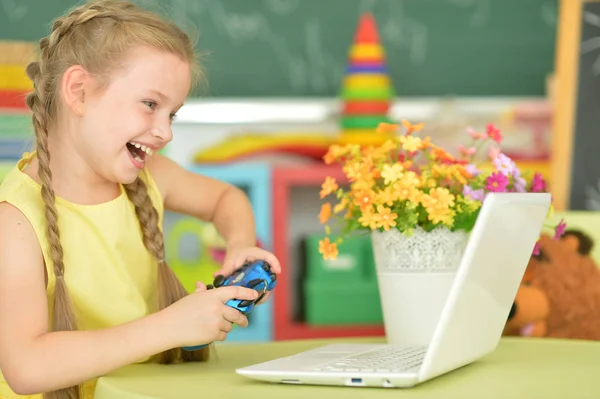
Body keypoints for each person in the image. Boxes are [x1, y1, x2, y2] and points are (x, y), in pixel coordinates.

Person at [0, 1, 281, 398]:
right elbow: (26, 368)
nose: (165, 133)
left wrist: (239, 244)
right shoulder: (13, 222)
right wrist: (171, 326)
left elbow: (225, 198)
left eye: (173, 114)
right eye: (150, 104)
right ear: (78, 91)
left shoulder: (152, 178)